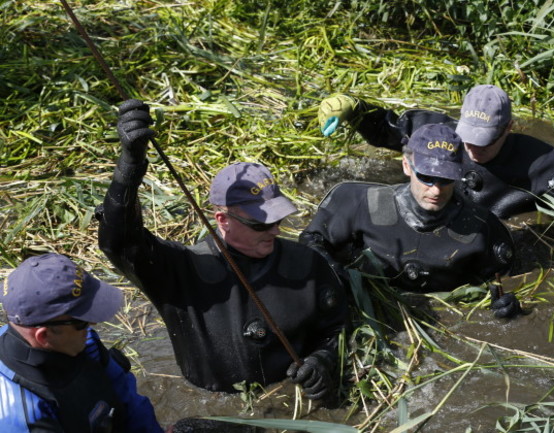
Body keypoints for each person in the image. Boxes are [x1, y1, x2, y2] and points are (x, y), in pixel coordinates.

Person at [95, 99, 348, 400]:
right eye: (262, 224)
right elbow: (120, 243)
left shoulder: (307, 265)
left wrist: (323, 361)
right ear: (222, 220)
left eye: (279, 219)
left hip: (286, 397)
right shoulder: (182, 273)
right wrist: (129, 168)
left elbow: (338, 326)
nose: (275, 231)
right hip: (213, 399)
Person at [317, 84, 554, 229]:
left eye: (486, 141)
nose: (473, 150)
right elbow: (385, 128)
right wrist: (353, 109)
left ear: (509, 127)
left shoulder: (544, 163)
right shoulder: (437, 132)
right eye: (468, 138)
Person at [299, 123, 516, 304]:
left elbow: (506, 282)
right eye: (426, 177)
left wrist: (507, 306)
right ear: (406, 166)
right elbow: (311, 241)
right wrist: (333, 272)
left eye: (446, 179)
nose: (436, 189)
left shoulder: (480, 228)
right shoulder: (362, 203)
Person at [0, 253, 163, 433]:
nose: (92, 324)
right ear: (44, 336)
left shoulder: (82, 340)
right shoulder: (22, 418)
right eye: (81, 321)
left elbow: (128, 399)